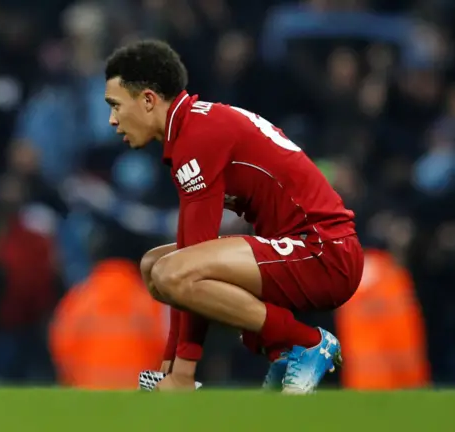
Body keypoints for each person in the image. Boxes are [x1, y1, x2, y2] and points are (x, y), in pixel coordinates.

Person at [103, 40, 364, 393]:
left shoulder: (197, 138)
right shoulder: (194, 127)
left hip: (325, 251)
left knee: (172, 269)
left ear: (148, 100)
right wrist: (169, 367)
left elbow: (190, 263)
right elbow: (186, 260)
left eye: (116, 106)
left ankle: (306, 342)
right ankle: (284, 351)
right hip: (294, 247)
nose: (112, 119)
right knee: (154, 265)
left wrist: (182, 371)